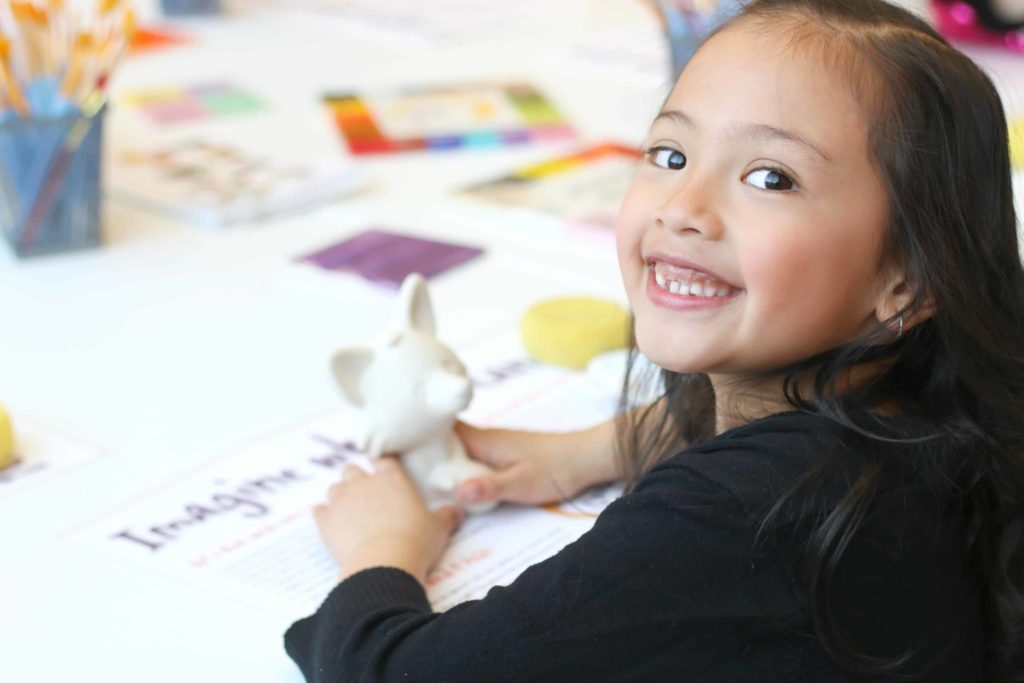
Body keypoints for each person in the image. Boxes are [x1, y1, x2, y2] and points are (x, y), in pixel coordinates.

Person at [284, 0, 1024, 680]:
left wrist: (379, 550)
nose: (683, 208)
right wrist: (594, 448)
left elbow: (407, 673)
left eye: (770, 177)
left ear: (909, 280)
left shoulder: (733, 516)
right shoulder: (954, 385)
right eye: (670, 155)